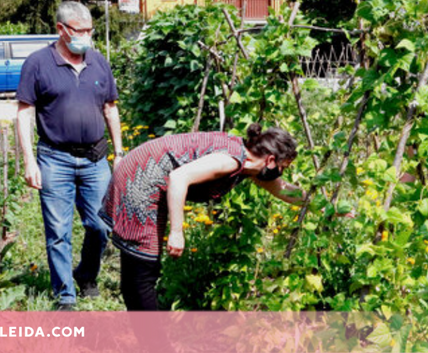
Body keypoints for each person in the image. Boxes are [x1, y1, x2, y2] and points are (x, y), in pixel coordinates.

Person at [99, 124, 303, 311]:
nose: (281, 173)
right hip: (141, 177)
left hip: (143, 170)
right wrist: (176, 232)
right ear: (270, 160)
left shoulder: (247, 161)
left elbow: (283, 190)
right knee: (143, 272)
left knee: (138, 272)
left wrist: (321, 204)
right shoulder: (230, 160)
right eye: (282, 167)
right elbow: (179, 177)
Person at [15, 1, 124, 311]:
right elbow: (24, 114)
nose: (87, 36)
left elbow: (110, 109)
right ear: (61, 30)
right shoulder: (37, 64)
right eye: (81, 31)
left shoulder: (99, 62)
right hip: (54, 158)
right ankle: (66, 296)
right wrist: (28, 161)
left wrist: (119, 152)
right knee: (58, 231)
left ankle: (86, 274)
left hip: (95, 158)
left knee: (101, 225)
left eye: (90, 30)